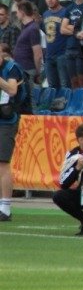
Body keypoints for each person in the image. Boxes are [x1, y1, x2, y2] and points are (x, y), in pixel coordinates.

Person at [0, 42, 29, 221]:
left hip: (5, 120)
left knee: (2, 163)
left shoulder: (12, 68)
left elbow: (12, 89)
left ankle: (6, 207)